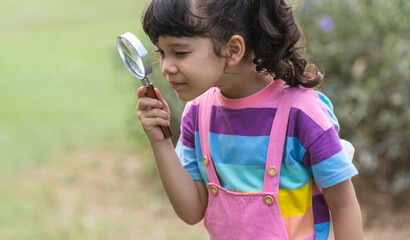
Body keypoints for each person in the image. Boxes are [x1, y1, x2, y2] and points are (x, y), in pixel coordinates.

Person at [136, 0, 363, 239]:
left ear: (233, 50)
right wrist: (160, 142)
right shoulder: (198, 114)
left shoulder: (302, 114)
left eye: (180, 52)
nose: (166, 67)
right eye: (161, 52)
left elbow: (344, 206)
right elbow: (192, 211)